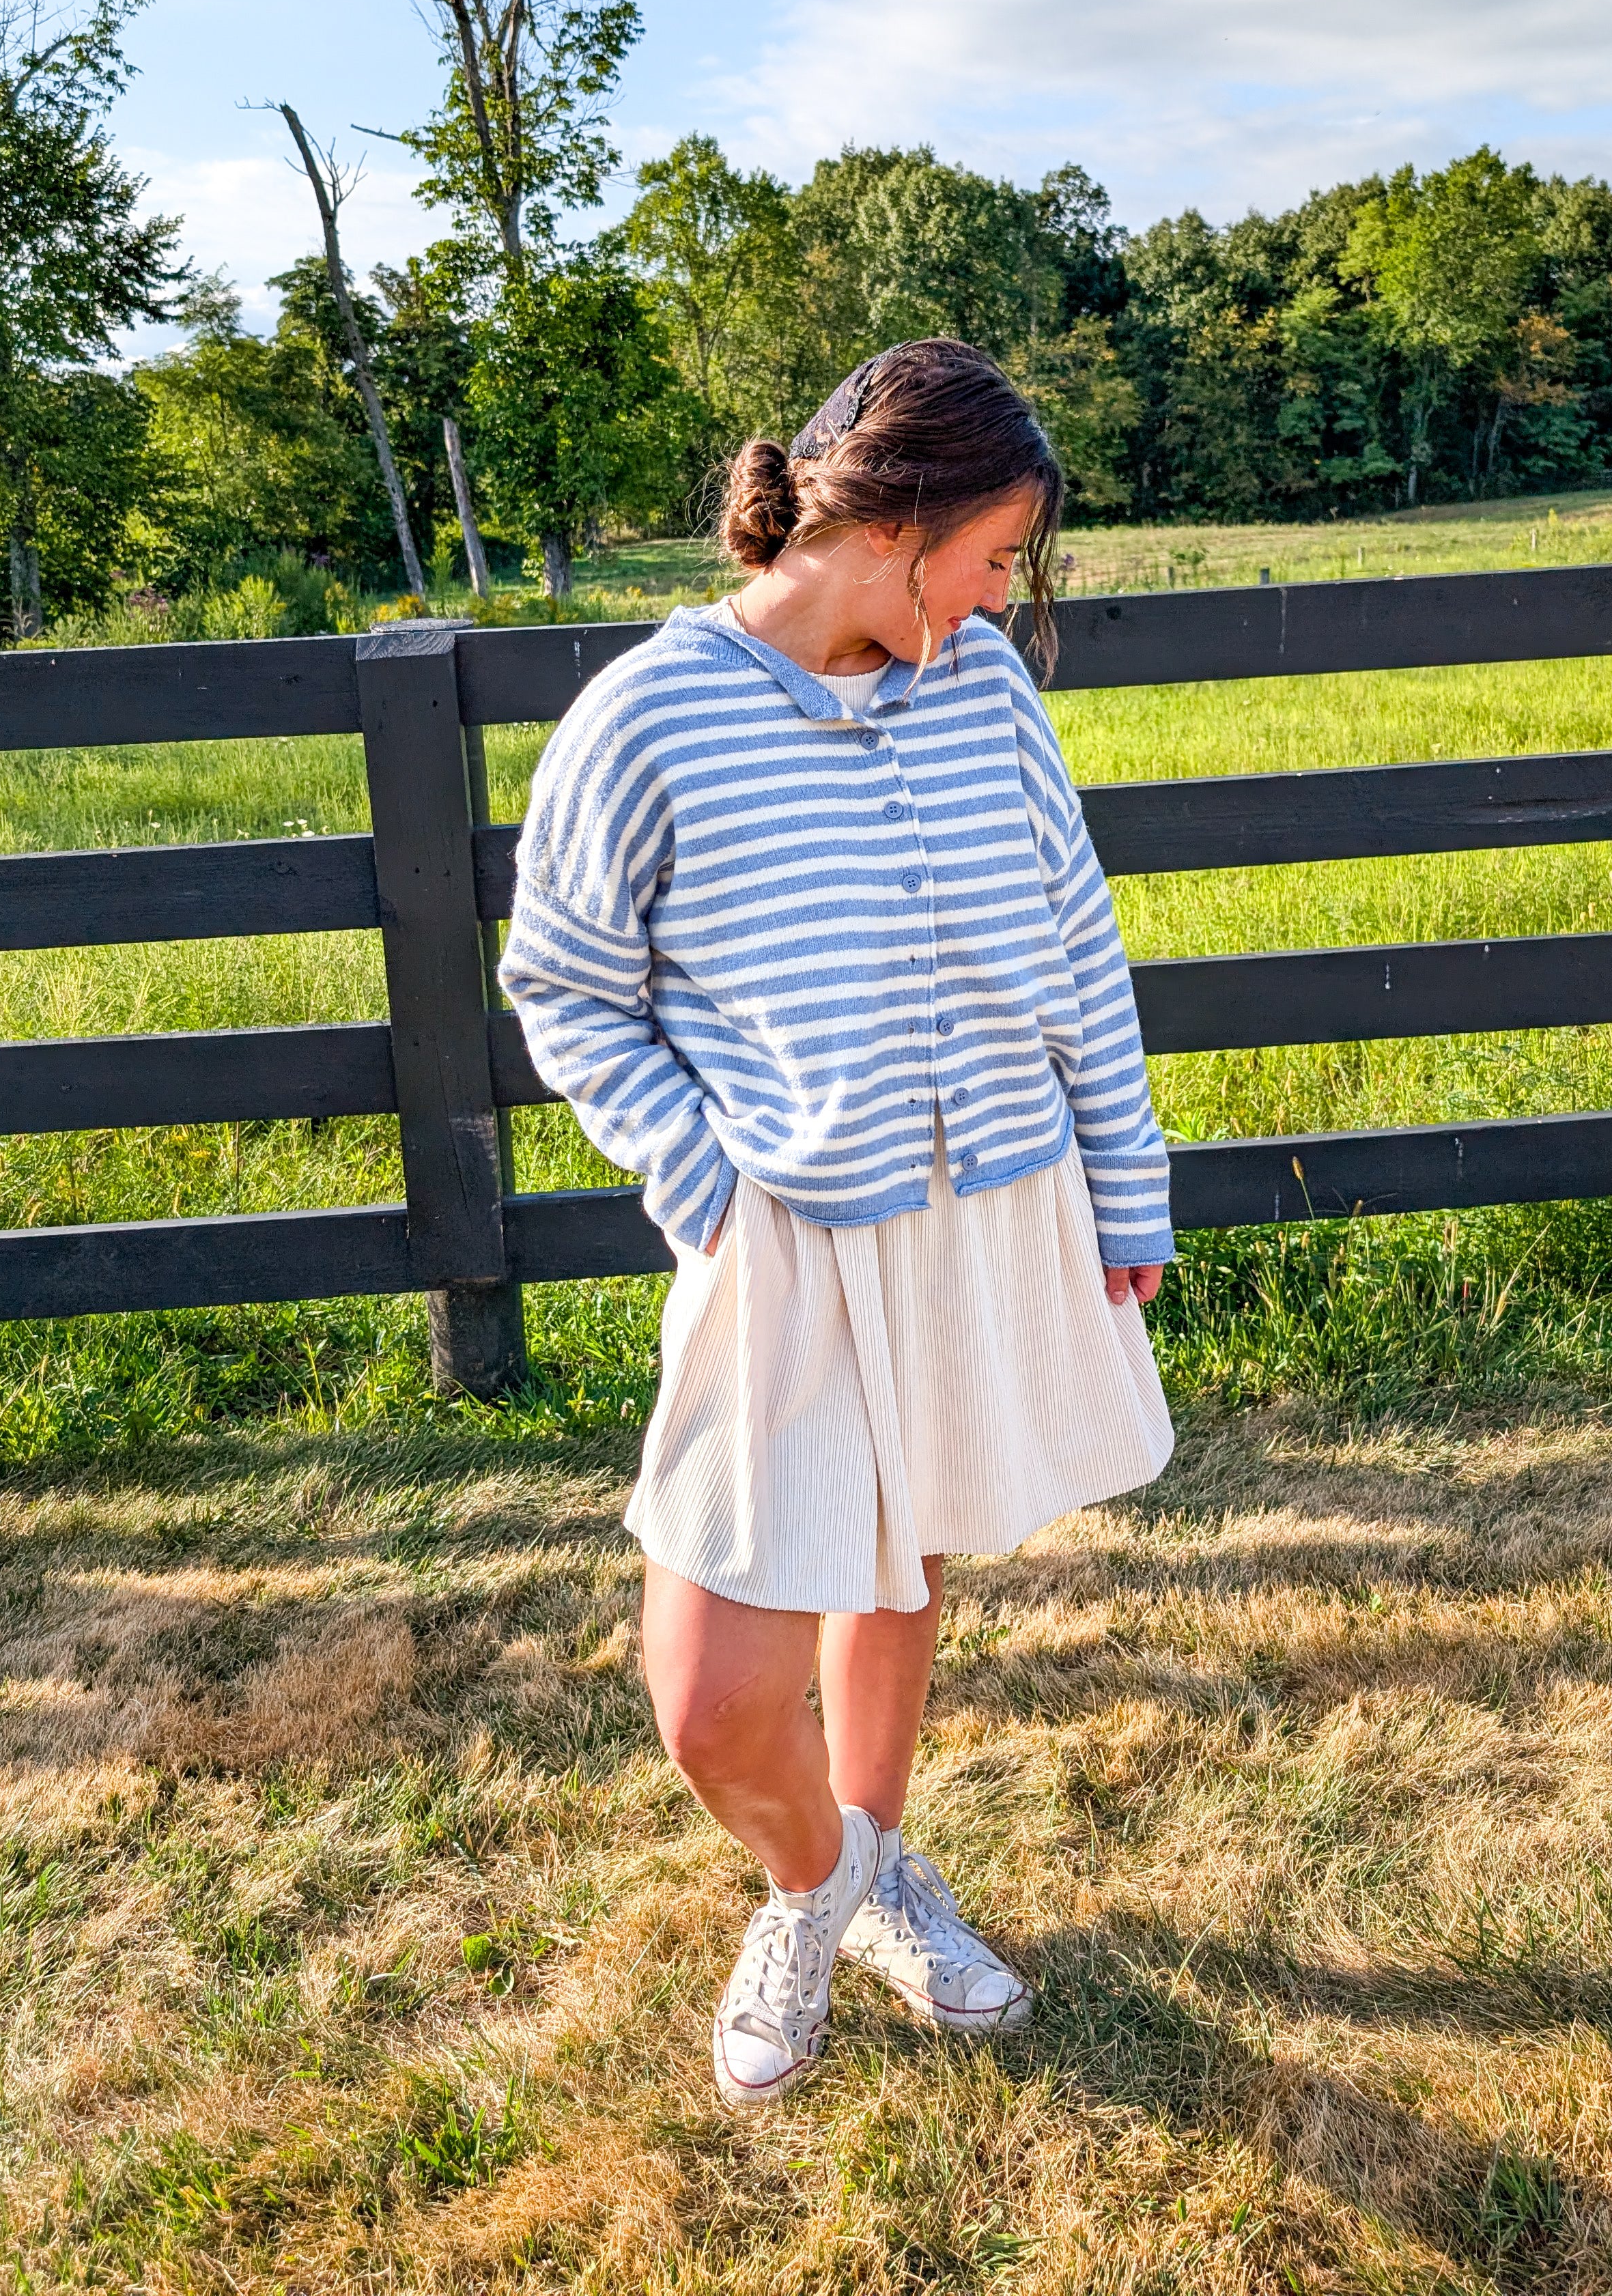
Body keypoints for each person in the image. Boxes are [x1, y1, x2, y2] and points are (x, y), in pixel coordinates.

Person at [498, 337, 1176, 2108]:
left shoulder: (984, 698)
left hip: (983, 1218)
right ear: (901, 524)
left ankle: (874, 1844)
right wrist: (701, 1179)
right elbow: (566, 985)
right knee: (713, 1697)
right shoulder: (649, 716)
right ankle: (825, 1889)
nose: (1002, 595)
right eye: (996, 556)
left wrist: (1128, 1176)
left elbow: (1077, 948)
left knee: (906, 1555)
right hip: (785, 1247)